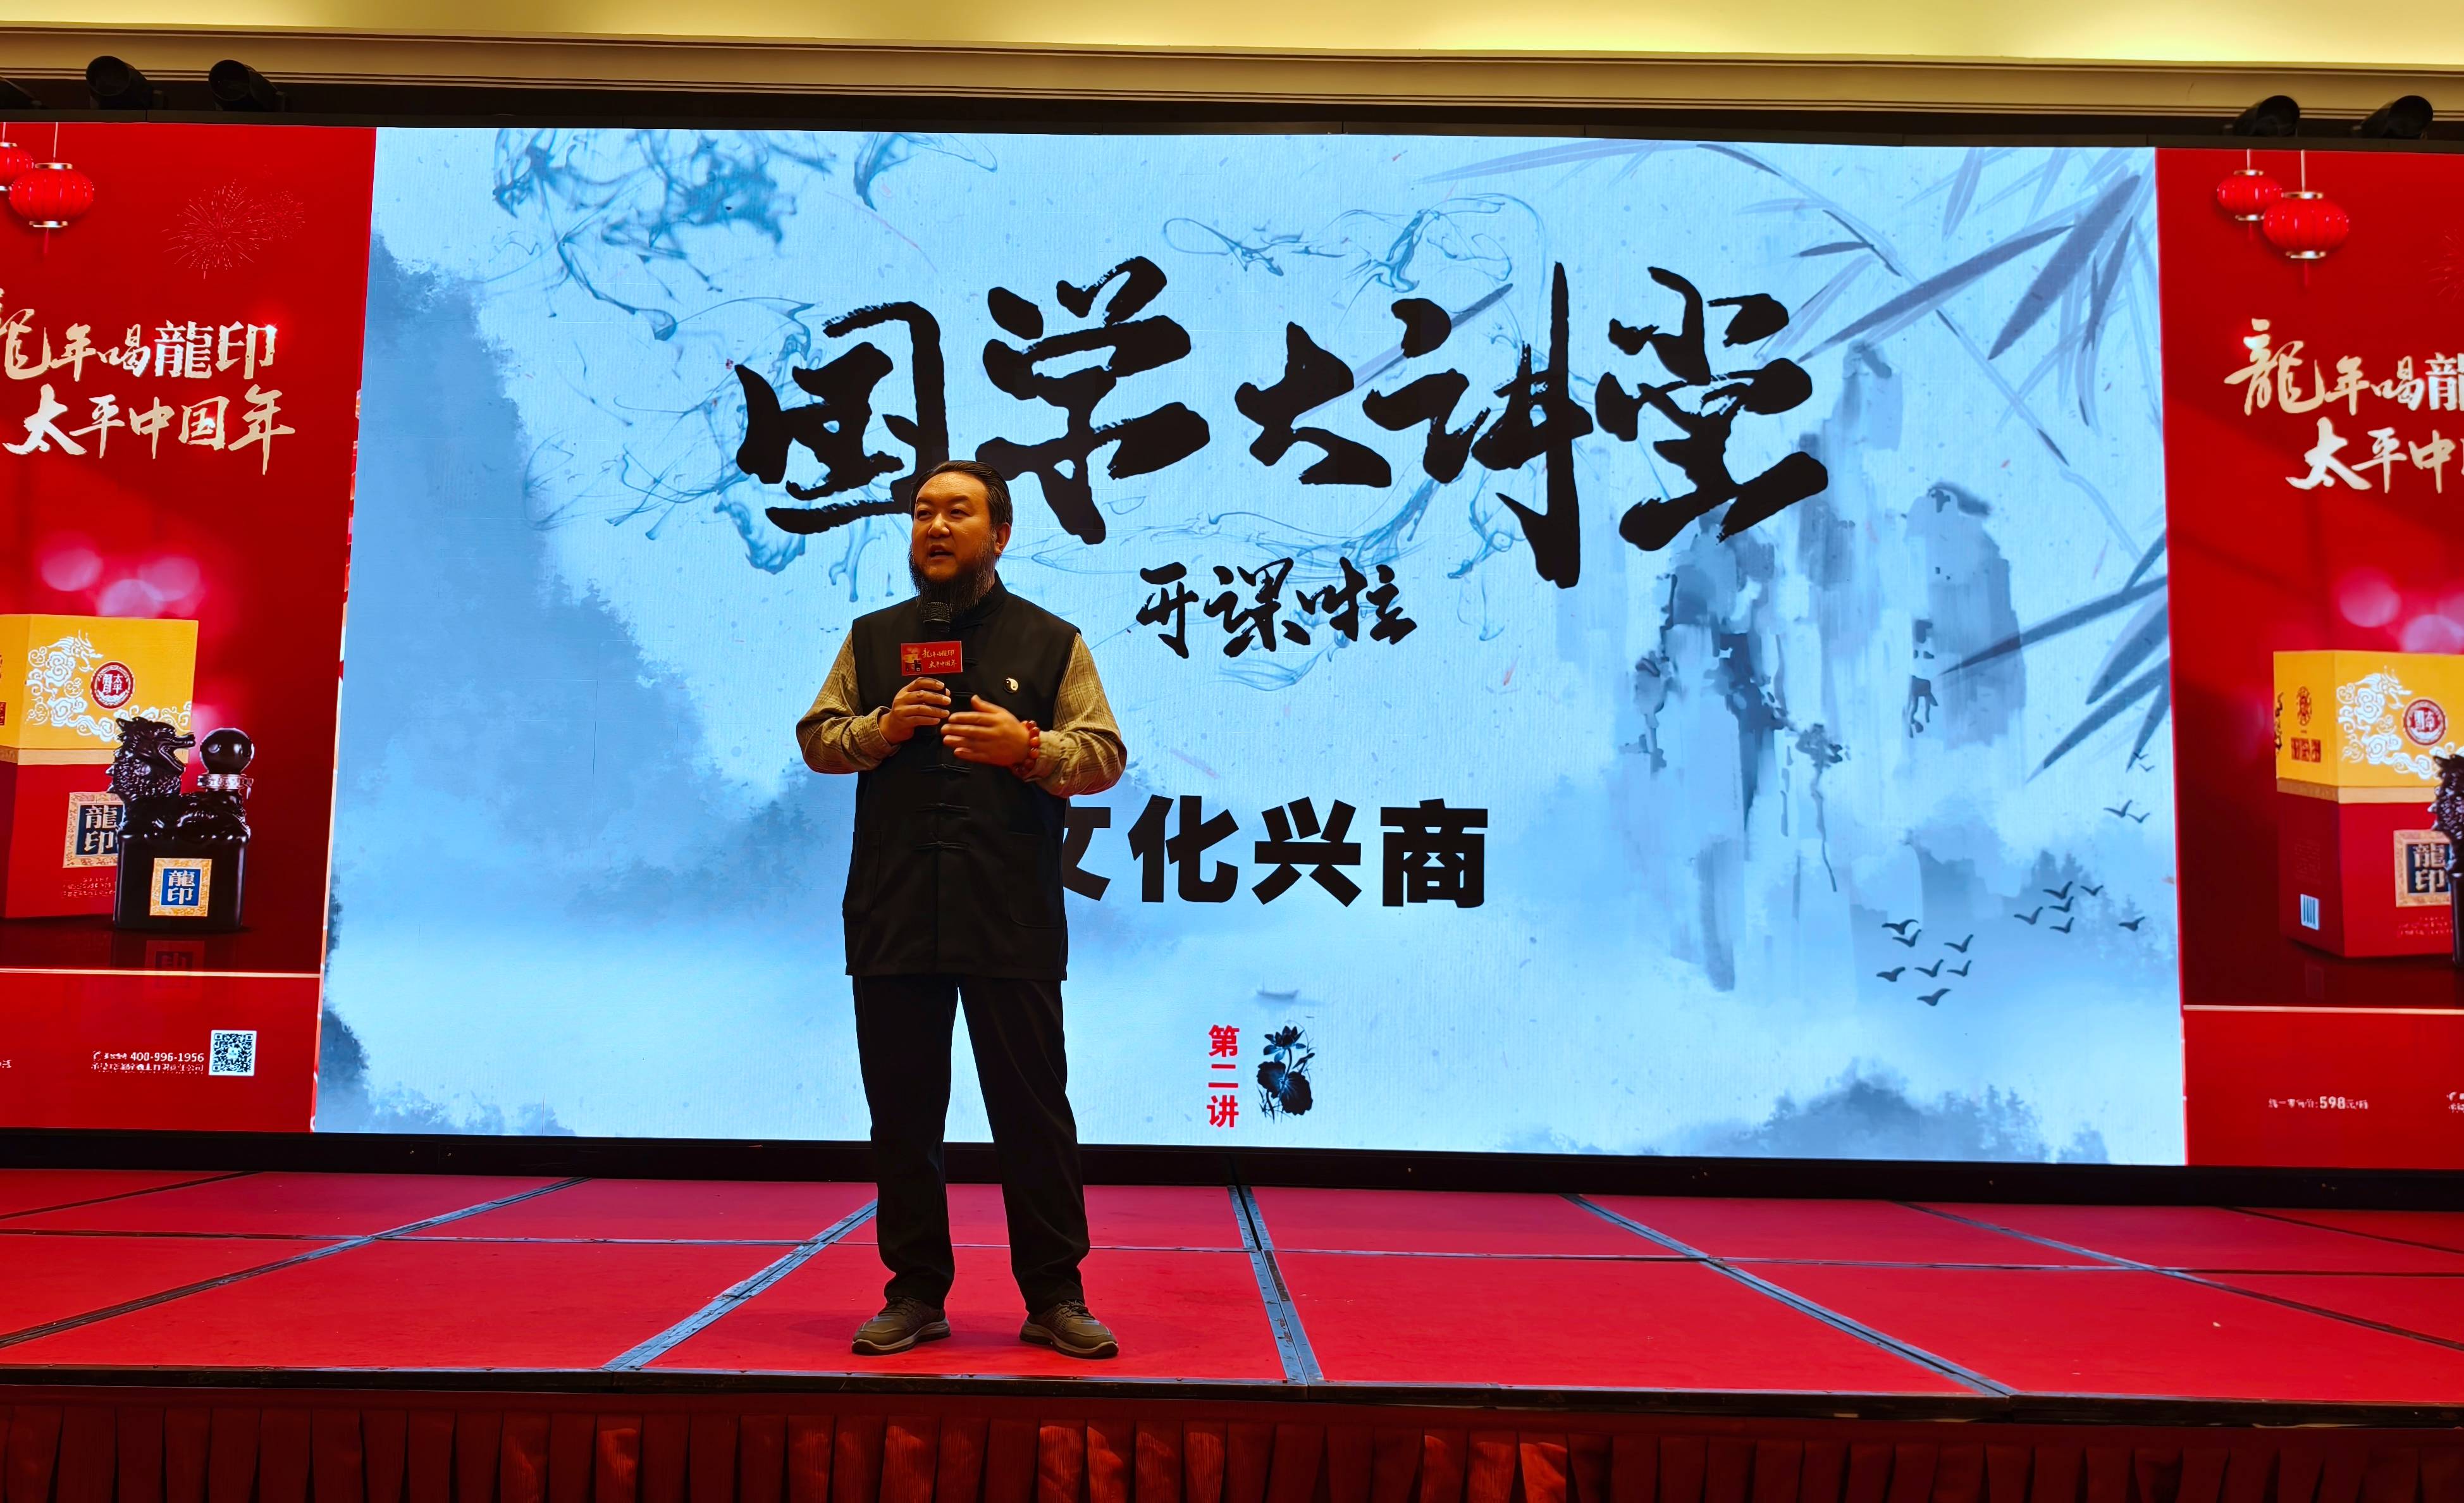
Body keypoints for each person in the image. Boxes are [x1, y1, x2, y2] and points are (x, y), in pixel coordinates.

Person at [796, 458, 1127, 1361]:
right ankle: (914, 1293)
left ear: (1000, 534)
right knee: (903, 1118)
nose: (935, 527)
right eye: (922, 513)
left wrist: (1028, 749)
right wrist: (882, 729)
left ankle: (1055, 1296)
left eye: (957, 513)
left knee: (1033, 1115)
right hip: (895, 910)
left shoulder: (1052, 641)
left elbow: (1103, 753)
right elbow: (818, 739)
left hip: (1007, 913)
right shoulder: (872, 640)